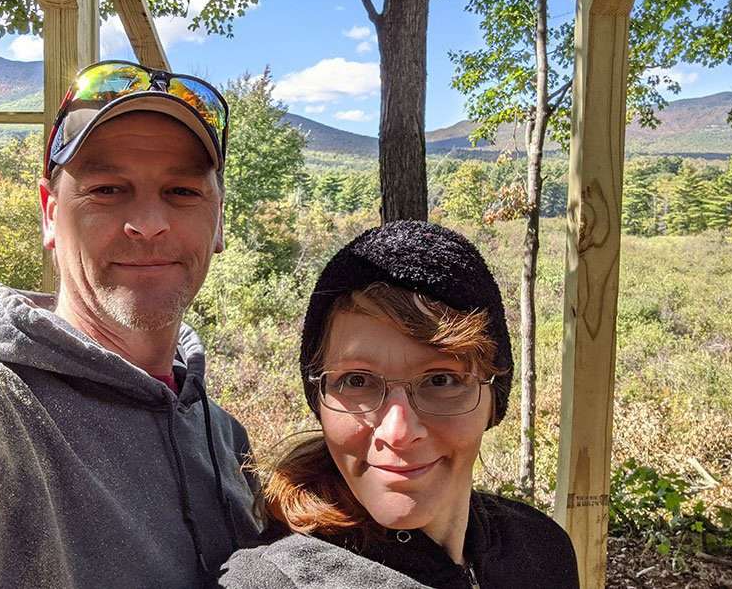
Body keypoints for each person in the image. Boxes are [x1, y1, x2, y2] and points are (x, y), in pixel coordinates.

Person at [0, 61, 260, 588]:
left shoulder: (224, 438)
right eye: (107, 190)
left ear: (219, 222)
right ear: (50, 213)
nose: (148, 224)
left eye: (182, 192)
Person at [220, 220, 579, 588]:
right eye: (356, 381)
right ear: (321, 400)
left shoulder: (541, 549)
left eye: (441, 380)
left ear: (493, 399)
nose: (399, 432)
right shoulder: (271, 580)